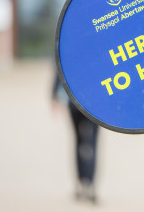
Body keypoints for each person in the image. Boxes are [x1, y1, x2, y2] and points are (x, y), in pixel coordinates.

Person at [52, 73, 100, 204]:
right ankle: (87, 184)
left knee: (80, 142)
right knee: (90, 143)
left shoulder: (66, 52)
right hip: (93, 103)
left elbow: (59, 71)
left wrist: (54, 96)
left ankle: (84, 184)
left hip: (76, 101)